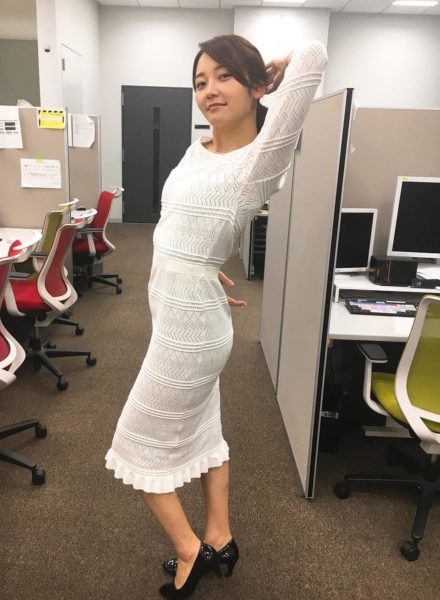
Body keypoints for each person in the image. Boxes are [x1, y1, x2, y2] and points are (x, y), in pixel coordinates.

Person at [105, 34, 328, 599]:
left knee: (133, 441)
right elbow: (179, 228)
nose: (210, 90)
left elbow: (315, 56)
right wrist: (201, 270)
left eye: (225, 76)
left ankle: (191, 551)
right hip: (182, 311)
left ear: (257, 86)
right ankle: (221, 537)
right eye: (201, 81)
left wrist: (273, 68)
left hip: (191, 334)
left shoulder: (260, 161)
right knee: (206, 431)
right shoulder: (196, 148)